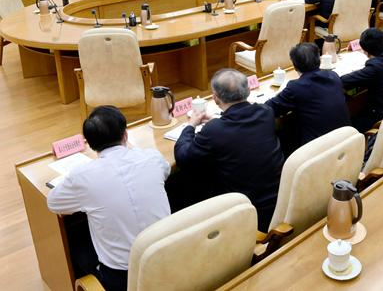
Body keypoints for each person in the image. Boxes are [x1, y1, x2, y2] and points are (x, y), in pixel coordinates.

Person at [47, 106, 170, 291]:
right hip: (167, 258)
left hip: (123, 278)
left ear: (90, 145)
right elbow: (165, 171)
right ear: (125, 135)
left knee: (74, 239)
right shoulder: (151, 157)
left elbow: (53, 203)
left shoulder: (82, 176)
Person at [172, 69, 283, 231]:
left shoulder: (215, 130)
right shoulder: (266, 112)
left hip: (247, 212)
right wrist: (217, 121)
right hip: (278, 200)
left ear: (215, 98)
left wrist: (190, 126)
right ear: (248, 91)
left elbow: (182, 157)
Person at [266, 43, 350, 155]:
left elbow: (270, 108)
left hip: (318, 150)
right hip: (346, 140)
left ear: (295, 65)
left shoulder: (296, 87)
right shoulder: (333, 76)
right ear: (319, 60)